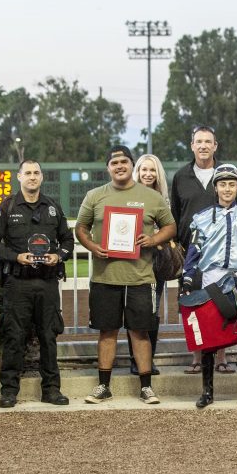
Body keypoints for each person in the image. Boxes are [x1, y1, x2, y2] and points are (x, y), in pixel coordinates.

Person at [76, 145, 176, 405]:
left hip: (140, 277)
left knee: (139, 332)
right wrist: (92, 246)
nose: (119, 166)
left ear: (132, 165)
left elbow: (171, 226)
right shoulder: (95, 195)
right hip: (105, 277)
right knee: (107, 332)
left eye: (124, 162)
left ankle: (146, 387)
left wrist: (153, 239)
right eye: (114, 162)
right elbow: (81, 227)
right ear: (108, 167)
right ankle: (103, 386)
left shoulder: (150, 196)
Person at [0, 159, 75, 408]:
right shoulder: (7, 207)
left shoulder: (53, 208)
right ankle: (9, 391)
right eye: (28, 173)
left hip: (46, 283)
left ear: (42, 177)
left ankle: (51, 390)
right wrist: (14, 257)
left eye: (36, 173)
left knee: (49, 336)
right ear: (19, 177)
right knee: (14, 336)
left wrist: (59, 255)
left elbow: (68, 240)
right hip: (17, 283)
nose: (32, 177)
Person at [182, 164, 237, 408]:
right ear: (215, 187)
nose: (227, 188)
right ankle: (208, 392)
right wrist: (188, 278)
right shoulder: (202, 218)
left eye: (231, 184)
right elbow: (193, 252)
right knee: (210, 333)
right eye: (222, 184)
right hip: (213, 278)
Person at [170, 125, 233, 374]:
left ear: (215, 145)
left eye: (208, 141)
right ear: (192, 145)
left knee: (222, 304)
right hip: (190, 255)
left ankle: (221, 357)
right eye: (199, 141)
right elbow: (175, 215)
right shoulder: (181, 177)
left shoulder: (225, 174)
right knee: (192, 305)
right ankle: (196, 356)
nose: (204, 146)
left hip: (220, 255)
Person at [126, 153, 171, 376]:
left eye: (152, 170)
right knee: (133, 310)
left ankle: (148, 359)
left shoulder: (163, 199)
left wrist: (155, 235)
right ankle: (134, 360)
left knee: (152, 312)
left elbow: (168, 229)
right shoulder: (128, 195)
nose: (148, 173)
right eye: (144, 169)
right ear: (138, 171)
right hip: (132, 262)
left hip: (155, 264)